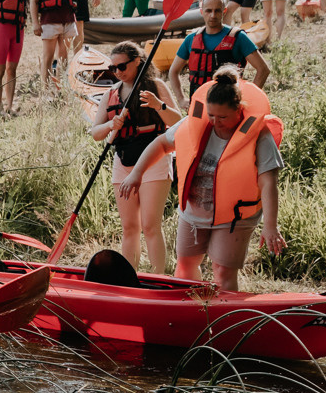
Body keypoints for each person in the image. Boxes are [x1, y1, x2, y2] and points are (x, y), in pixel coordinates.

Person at [120, 66, 284, 292]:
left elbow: (269, 183)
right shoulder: (195, 124)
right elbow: (161, 144)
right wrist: (136, 173)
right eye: (212, 115)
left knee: (223, 271)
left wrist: (270, 226)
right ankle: (192, 315)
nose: (216, 122)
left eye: (223, 117)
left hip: (234, 217)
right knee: (185, 266)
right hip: (194, 212)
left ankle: (225, 320)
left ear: (240, 110)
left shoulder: (259, 136)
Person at [86, 40, 184, 275]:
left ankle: (157, 276)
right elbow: (96, 133)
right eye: (113, 68)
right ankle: (129, 278)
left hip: (154, 159)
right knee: (129, 227)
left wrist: (158, 105)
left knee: (150, 225)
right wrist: (112, 123)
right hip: (123, 160)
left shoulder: (155, 86)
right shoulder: (111, 93)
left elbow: (178, 123)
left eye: (122, 67)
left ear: (137, 62)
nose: (117, 72)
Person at [168, 0, 269, 97]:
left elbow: (263, 69)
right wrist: (181, 100)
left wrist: (248, 98)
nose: (213, 15)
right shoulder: (191, 39)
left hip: (228, 104)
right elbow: (173, 72)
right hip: (198, 104)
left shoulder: (238, 37)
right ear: (202, 12)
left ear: (224, 11)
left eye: (217, 10)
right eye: (208, 11)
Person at [30, 0, 89, 94]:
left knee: (63, 59)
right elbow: (33, 2)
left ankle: (60, 89)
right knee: (48, 58)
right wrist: (35, 23)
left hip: (68, 22)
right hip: (49, 22)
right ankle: (46, 90)